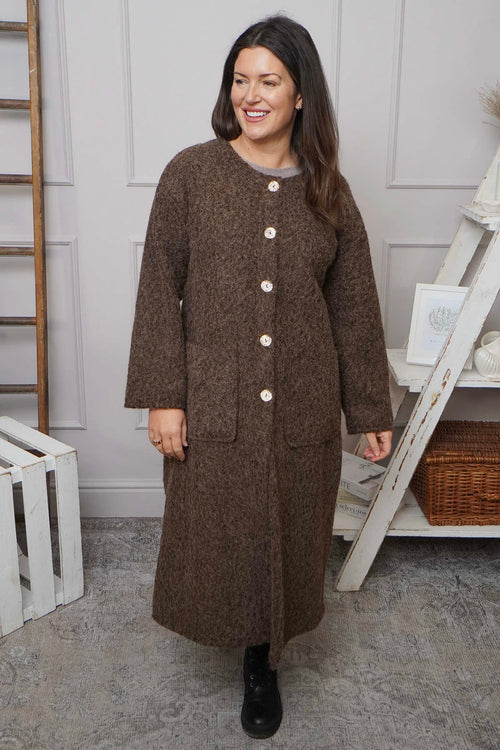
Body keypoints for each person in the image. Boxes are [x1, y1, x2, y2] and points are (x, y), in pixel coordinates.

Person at [124, 14, 393, 740]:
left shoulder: (329, 191)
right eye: (240, 80)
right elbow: (159, 288)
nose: (251, 95)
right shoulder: (191, 174)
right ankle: (233, 630)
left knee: (289, 532)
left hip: (304, 397)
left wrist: (370, 409)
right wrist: (163, 397)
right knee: (218, 528)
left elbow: (354, 307)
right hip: (216, 395)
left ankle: (262, 662)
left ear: (300, 94)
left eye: (269, 81)